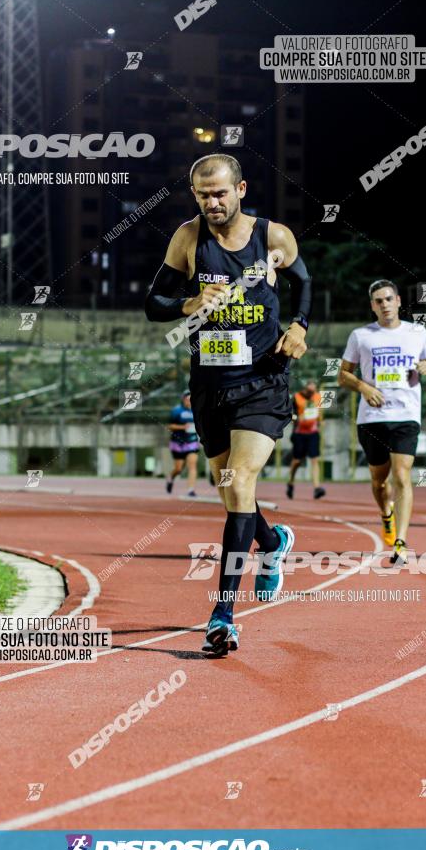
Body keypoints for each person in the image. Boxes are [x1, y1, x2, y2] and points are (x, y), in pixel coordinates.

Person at [145, 153, 312, 654]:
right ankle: (273, 540)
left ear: (240, 189)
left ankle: (222, 615)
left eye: (219, 193)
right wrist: (188, 304)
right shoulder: (188, 238)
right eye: (202, 195)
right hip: (209, 387)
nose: (212, 203)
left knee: (240, 481)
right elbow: (154, 304)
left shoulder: (273, 236)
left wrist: (300, 326)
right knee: (230, 490)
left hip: (262, 381)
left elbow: (304, 282)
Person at [338, 280, 426, 564]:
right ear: (372, 306)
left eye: (388, 299)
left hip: (406, 415)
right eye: (378, 301)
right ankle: (386, 514)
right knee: (378, 481)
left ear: (397, 301)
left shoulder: (416, 332)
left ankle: (401, 542)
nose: (384, 305)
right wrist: (364, 388)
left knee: (403, 475)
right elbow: (343, 374)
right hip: (372, 417)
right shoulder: (361, 336)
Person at [286, 379, 326, 500]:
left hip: (313, 433)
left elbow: (318, 412)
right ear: (305, 389)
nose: (311, 394)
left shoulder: (318, 397)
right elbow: (290, 415)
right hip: (299, 433)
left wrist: (321, 421)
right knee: (297, 461)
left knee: (314, 460)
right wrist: (298, 418)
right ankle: (291, 482)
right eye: (309, 391)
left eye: (313, 391)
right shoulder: (296, 398)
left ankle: (317, 488)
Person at [166, 390, 200, 497]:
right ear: (183, 399)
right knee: (178, 469)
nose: (189, 401)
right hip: (178, 443)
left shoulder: (197, 411)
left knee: (192, 465)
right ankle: (171, 478)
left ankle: (191, 490)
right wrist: (183, 427)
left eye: (191, 399)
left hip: (192, 442)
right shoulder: (176, 411)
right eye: (187, 399)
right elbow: (170, 426)